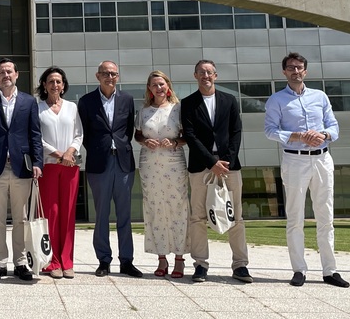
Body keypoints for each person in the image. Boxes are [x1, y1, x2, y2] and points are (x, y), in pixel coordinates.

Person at [264, 52, 350, 288]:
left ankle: (330, 271)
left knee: (326, 216)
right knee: (295, 217)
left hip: (322, 159)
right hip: (295, 161)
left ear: (305, 71)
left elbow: (333, 126)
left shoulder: (320, 96)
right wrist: (298, 136)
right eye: (291, 67)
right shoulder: (276, 100)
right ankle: (299, 270)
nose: (296, 71)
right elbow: (270, 131)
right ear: (284, 72)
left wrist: (323, 135)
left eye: (299, 67)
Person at [182, 59, 251, 284]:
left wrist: (225, 161)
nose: (206, 76)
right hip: (201, 167)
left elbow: (236, 132)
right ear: (195, 76)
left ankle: (240, 265)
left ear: (215, 76)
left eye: (209, 72)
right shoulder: (188, 103)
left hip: (229, 167)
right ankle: (200, 265)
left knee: (236, 217)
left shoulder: (229, 100)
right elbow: (190, 136)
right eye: (201, 72)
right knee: (198, 218)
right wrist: (212, 162)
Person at [0, 58, 43, 282]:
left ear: (16, 74)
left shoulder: (29, 101)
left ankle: (20, 263)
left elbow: (35, 134)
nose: (6, 75)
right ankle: (0, 264)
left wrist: (37, 162)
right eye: (1, 72)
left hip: (21, 168)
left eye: (9, 71)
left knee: (21, 219)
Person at [77, 60, 142, 278]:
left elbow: (128, 130)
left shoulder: (127, 100)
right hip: (99, 163)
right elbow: (84, 134)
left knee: (125, 214)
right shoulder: (86, 101)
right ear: (98, 76)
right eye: (105, 73)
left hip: (123, 163)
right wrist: (100, 149)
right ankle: (104, 260)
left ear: (118, 76)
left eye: (113, 73)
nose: (110, 77)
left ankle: (127, 261)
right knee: (101, 214)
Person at [134, 70, 190, 279]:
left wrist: (175, 142)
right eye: (154, 85)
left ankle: (179, 258)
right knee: (154, 208)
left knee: (178, 207)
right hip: (150, 164)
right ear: (149, 88)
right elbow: (137, 134)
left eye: (162, 84)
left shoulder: (178, 109)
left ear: (168, 86)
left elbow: (188, 136)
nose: (158, 88)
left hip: (174, 163)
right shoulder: (143, 111)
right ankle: (161, 258)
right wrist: (144, 141)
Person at [36, 66, 83, 279]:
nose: (55, 85)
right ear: (44, 85)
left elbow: (78, 134)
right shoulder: (37, 108)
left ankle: (67, 261)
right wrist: (58, 154)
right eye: (51, 81)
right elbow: (36, 138)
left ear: (63, 85)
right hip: (48, 166)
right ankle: (52, 261)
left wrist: (69, 152)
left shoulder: (72, 107)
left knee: (68, 214)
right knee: (51, 214)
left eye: (58, 81)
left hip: (70, 167)